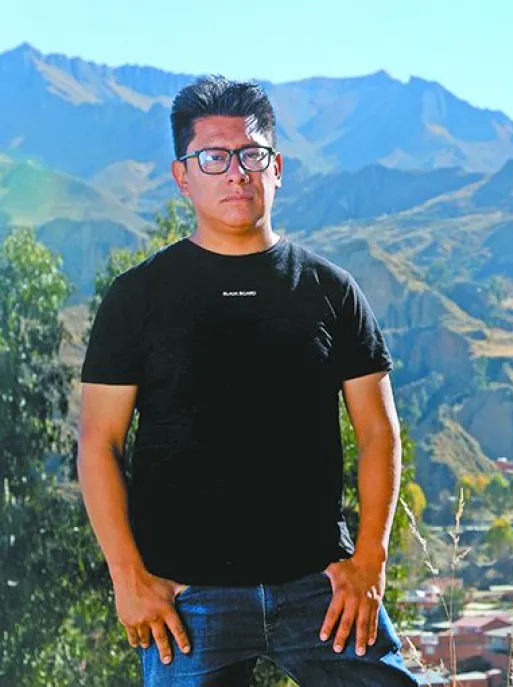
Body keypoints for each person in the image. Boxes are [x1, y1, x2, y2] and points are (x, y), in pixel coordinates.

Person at [76, 75, 417, 686]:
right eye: (212, 157)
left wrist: (370, 559)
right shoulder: (138, 297)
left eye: (250, 154)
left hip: (322, 588)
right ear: (183, 176)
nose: (235, 172)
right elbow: (98, 443)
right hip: (185, 600)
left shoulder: (331, 291)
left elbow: (377, 432)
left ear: (276, 167)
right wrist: (129, 579)